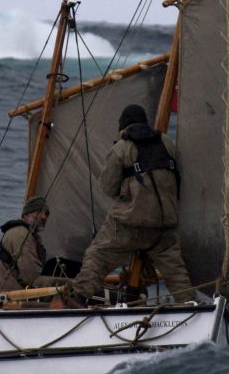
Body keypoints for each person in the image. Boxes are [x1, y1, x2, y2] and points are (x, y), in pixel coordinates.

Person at [63, 104, 197, 306]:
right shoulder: (167, 143)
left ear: (123, 125)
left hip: (129, 225)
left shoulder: (121, 148)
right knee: (176, 273)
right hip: (164, 227)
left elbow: (108, 187)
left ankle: (78, 300)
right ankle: (190, 306)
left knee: (97, 256)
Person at [0, 195, 50, 293]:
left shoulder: (21, 232)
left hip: (5, 296)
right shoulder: (22, 235)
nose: (44, 217)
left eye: (46, 214)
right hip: (13, 300)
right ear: (26, 214)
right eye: (39, 212)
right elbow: (31, 276)